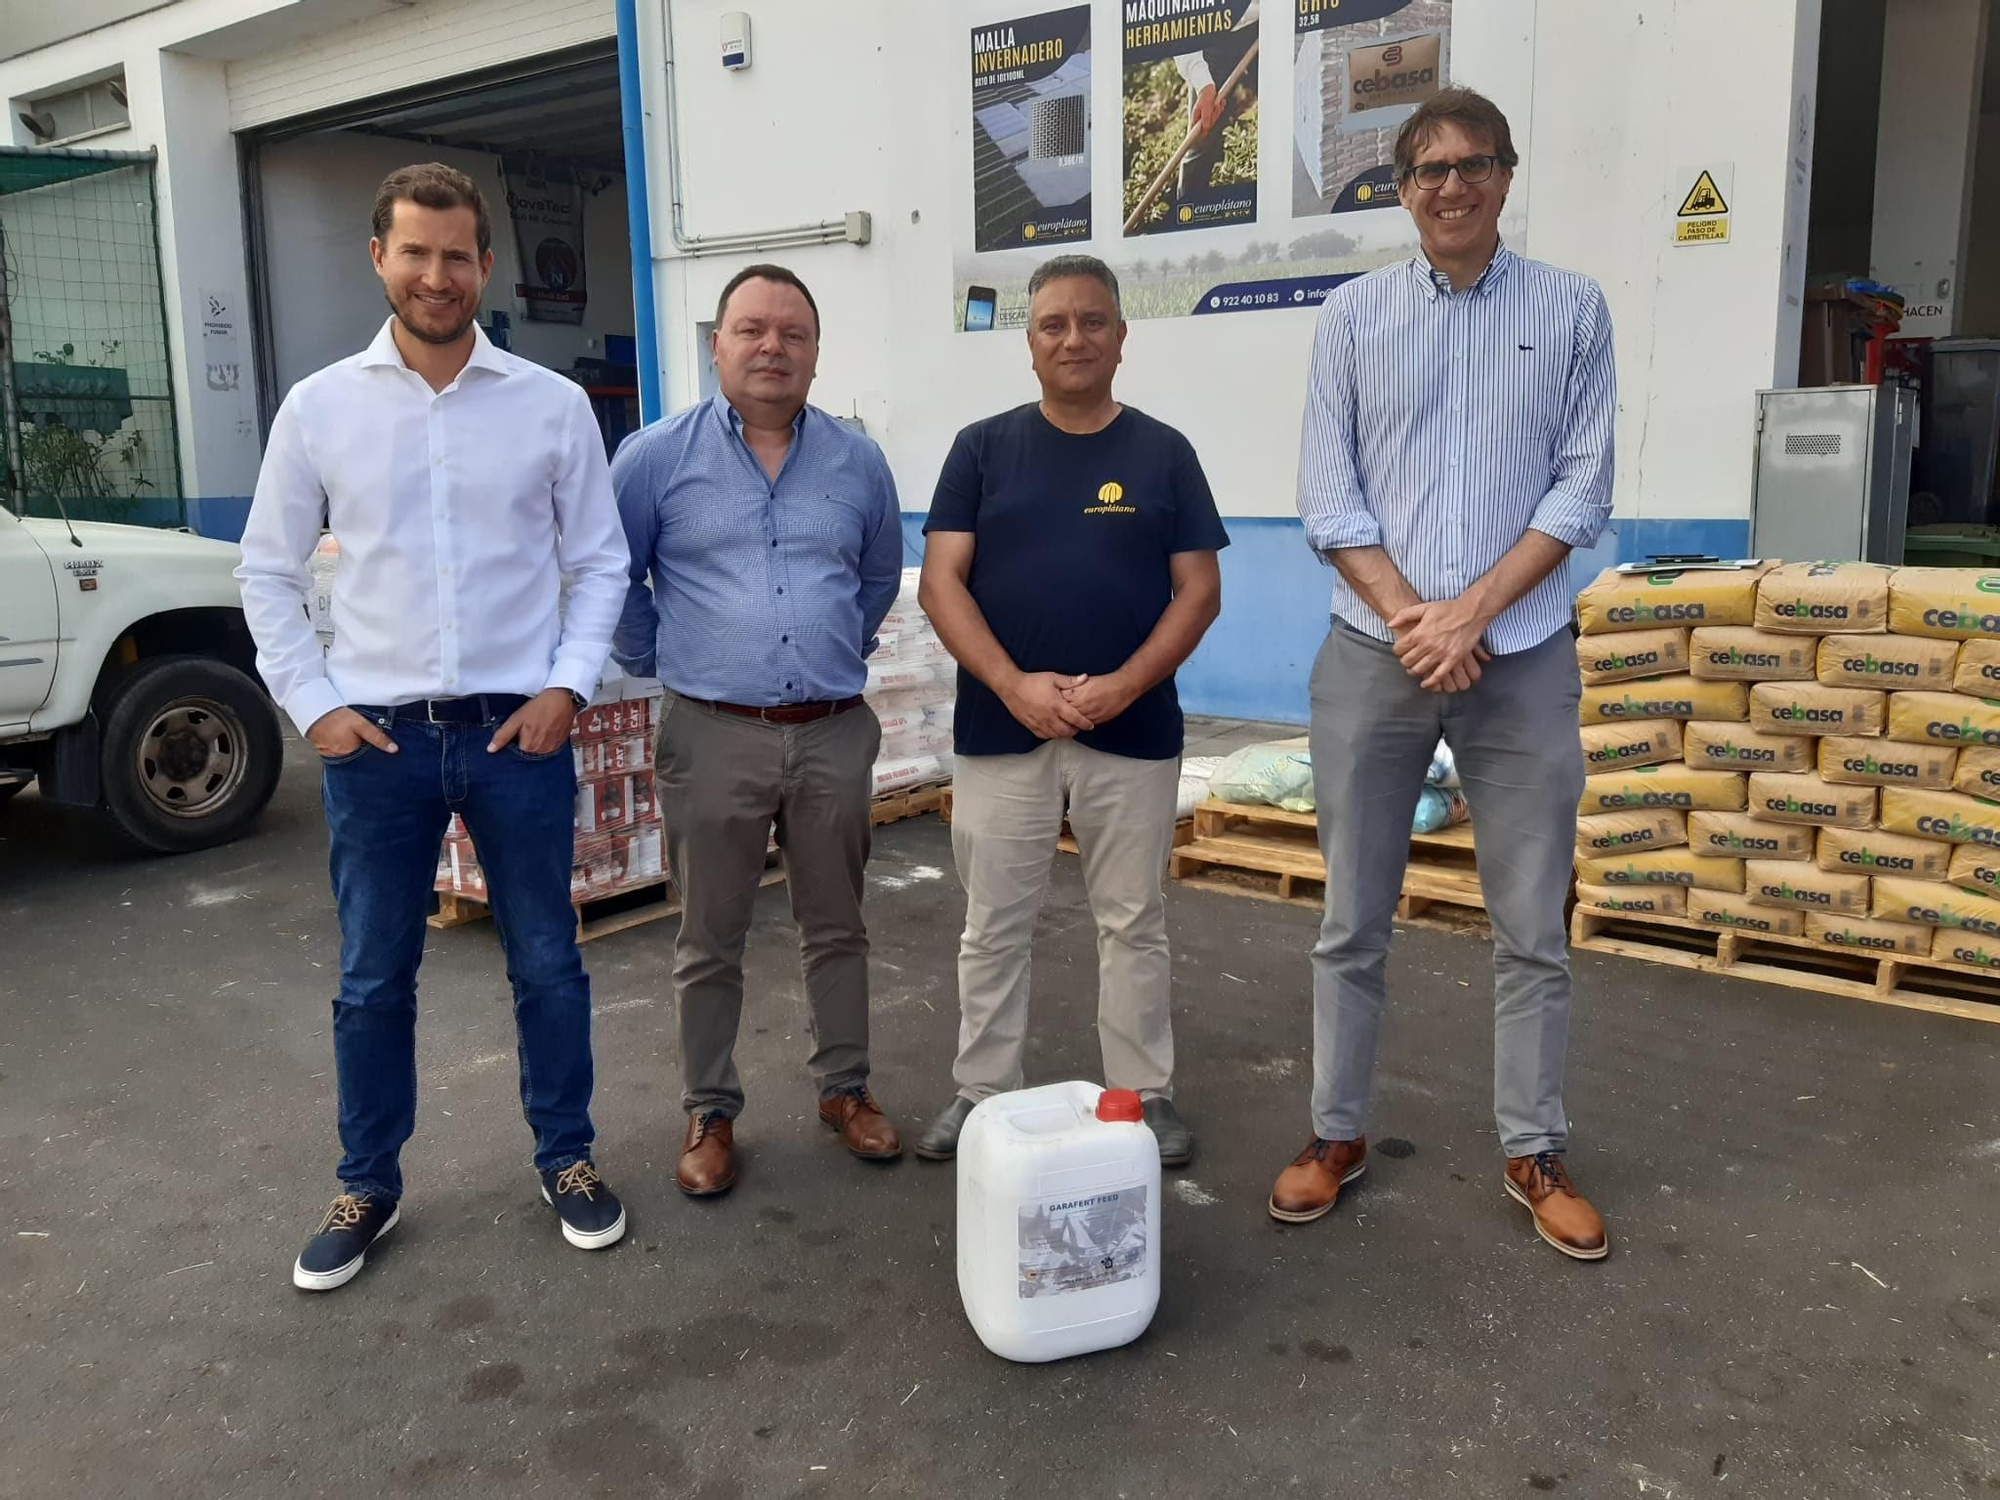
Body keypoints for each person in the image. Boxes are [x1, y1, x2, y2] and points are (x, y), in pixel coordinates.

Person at [236, 163, 632, 1292]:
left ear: (486, 266)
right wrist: (314, 709)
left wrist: (568, 687)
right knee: (373, 979)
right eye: (415, 252)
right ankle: (367, 1182)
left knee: (547, 963)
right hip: (381, 746)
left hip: (520, 734)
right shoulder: (320, 408)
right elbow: (265, 574)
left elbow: (598, 563)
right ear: (379, 259)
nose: (437, 275)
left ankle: (567, 1159)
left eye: (457, 255)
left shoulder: (549, 406)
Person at [1266, 88, 1616, 1259]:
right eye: (1427, 168)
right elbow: (1329, 498)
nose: (1451, 185)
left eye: (1472, 164)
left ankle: (1533, 1146)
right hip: (1374, 654)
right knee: (1350, 920)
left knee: (1531, 927)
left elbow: (1579, 488)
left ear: (1505, 178)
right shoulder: (1355, 317)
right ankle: (1334, 1133)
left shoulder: (1570, 311)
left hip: (1518, 657)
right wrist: (1413, 619)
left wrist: (1468, 614)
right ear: (1402, 190)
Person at [914, 253, 1227, 1166]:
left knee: (1132, 920)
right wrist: (1015, 687)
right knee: (992, 924)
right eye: (1054, 324)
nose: (1073, 338)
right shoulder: (982, 449)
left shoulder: (1163, 453)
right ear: (1030, 343)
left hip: (1129, 733)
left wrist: (1122, 686)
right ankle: (980, 1094)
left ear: (1122, 338)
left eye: (1092, 321)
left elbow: (1198, 591)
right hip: (1000, 731)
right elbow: (942, 584)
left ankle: (1144, 1094)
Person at [612, 264, 904, 1197]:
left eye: (793, 333)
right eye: (752, 330)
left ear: (816, 352)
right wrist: (689, 663)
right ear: (717, 343)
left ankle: (845, 1090)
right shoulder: (654, 459)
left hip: (830, 732)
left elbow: (876, 579)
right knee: (710, 933)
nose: (772, 347)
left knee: (838, 926)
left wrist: (823, 662)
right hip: (710, 734)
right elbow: (614, 580)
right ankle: (710, 1110)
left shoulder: (858, 462)